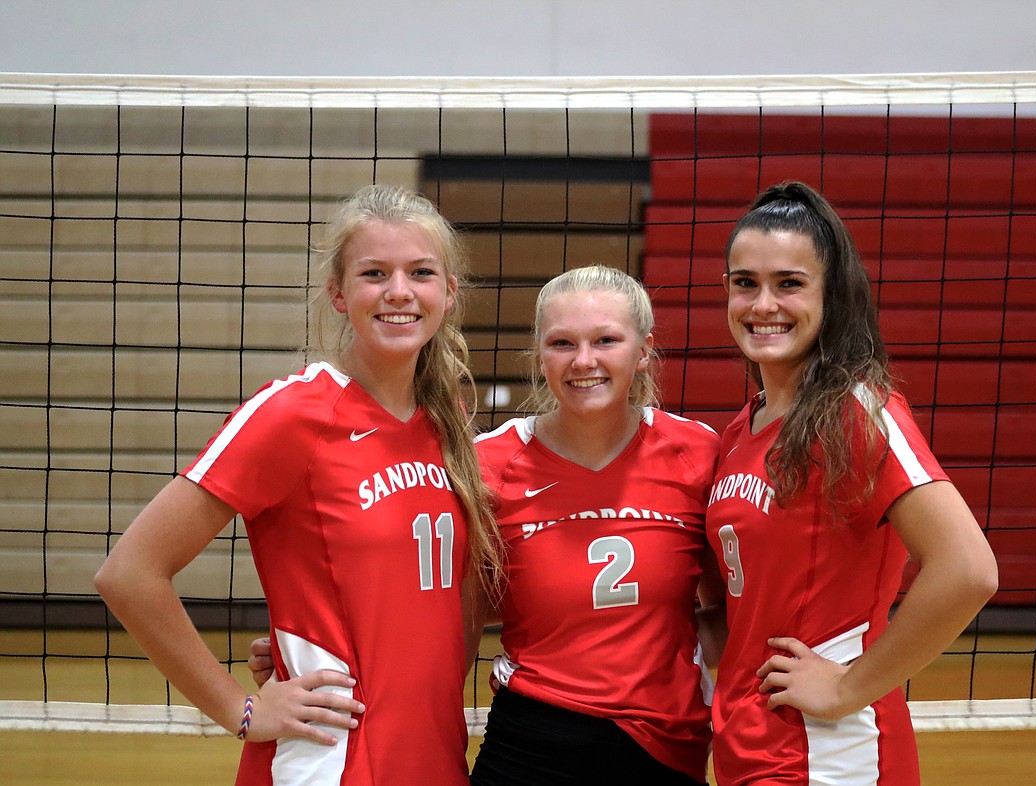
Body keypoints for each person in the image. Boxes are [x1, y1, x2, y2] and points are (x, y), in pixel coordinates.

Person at [252, 264, 724, 784]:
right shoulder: (487, 465)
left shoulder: (696, 453)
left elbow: (723, 613)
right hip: (533, 741)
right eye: (562, 343)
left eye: (606, 340)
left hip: (665, 744)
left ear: (643, 352)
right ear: (539, 355)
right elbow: (436, 604)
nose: (583, 360)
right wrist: (314, 645)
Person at [95, 185, 500, 786]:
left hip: (434, 757)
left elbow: (447, 599)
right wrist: (242, 708)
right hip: (327, 762)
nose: (398, 291)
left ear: (447, 292)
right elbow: (128, 574)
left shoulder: (452, 427)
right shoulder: (290, 415)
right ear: (338, 294)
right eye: (373, 273)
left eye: (420, 272)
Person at [704, 181, 999, 785]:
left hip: (834, 754)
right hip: (749, 745)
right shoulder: (741, 429)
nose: (763, 304)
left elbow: (969, 570)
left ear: (831, 295)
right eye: (745, 283)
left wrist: (847, 687)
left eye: (790, 283)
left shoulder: (856, 412)